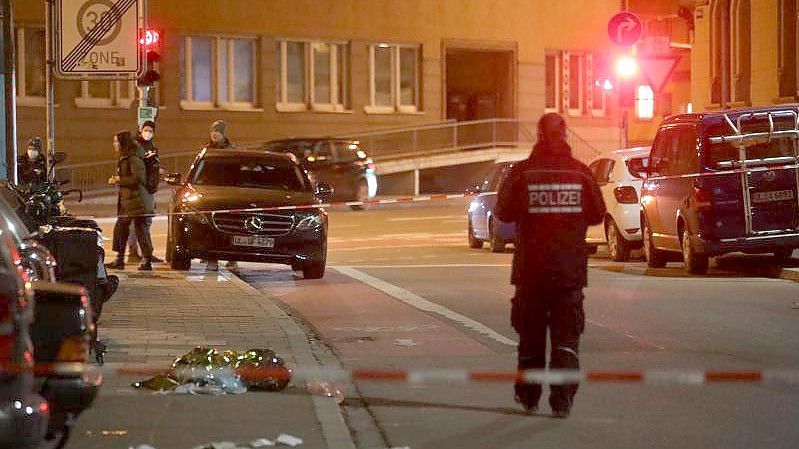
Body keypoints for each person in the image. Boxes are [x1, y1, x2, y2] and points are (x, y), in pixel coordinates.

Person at [494, 113, 606, 418]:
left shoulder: (522, 173)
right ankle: (562, 400)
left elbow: (502, 213)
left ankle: (529, 397)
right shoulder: (581, 173)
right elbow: (598, 214)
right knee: (566, 338)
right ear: (564, 134)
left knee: (530, 338)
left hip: (530, 272)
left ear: (539, 136)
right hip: (569, 273)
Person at [105, 131, 156, 271]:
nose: (114, 144)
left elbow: (138, 178)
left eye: (116, 141)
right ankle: (120, 259)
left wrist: (118, 180)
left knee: (140, 230)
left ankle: (146, 260)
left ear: (123, 143)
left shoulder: (133, 157)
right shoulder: (126, 157)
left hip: (138, 201)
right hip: (129, 201)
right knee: (121, 228)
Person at [127, 121, 164, 264]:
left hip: (149, 189)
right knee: (137, 223)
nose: (148, 133)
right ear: (140, 130)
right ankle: (134, 252)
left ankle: (146, 253)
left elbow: (153, 165)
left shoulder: (153, 146)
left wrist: (157, 170)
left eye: (151, 130)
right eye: (146, 130)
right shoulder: (135, 146)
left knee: (146, 222)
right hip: (139, 189)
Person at [204, 119, 236, 271]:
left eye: (217, 132)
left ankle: (232, 258)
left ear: (223, 135)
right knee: (210, 228)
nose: (214, 135)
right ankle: (211, 258)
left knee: (231, 227)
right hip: (210, 194)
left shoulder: (231, 151)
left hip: (228, 193)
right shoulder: (206, 150)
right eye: (212, 132)